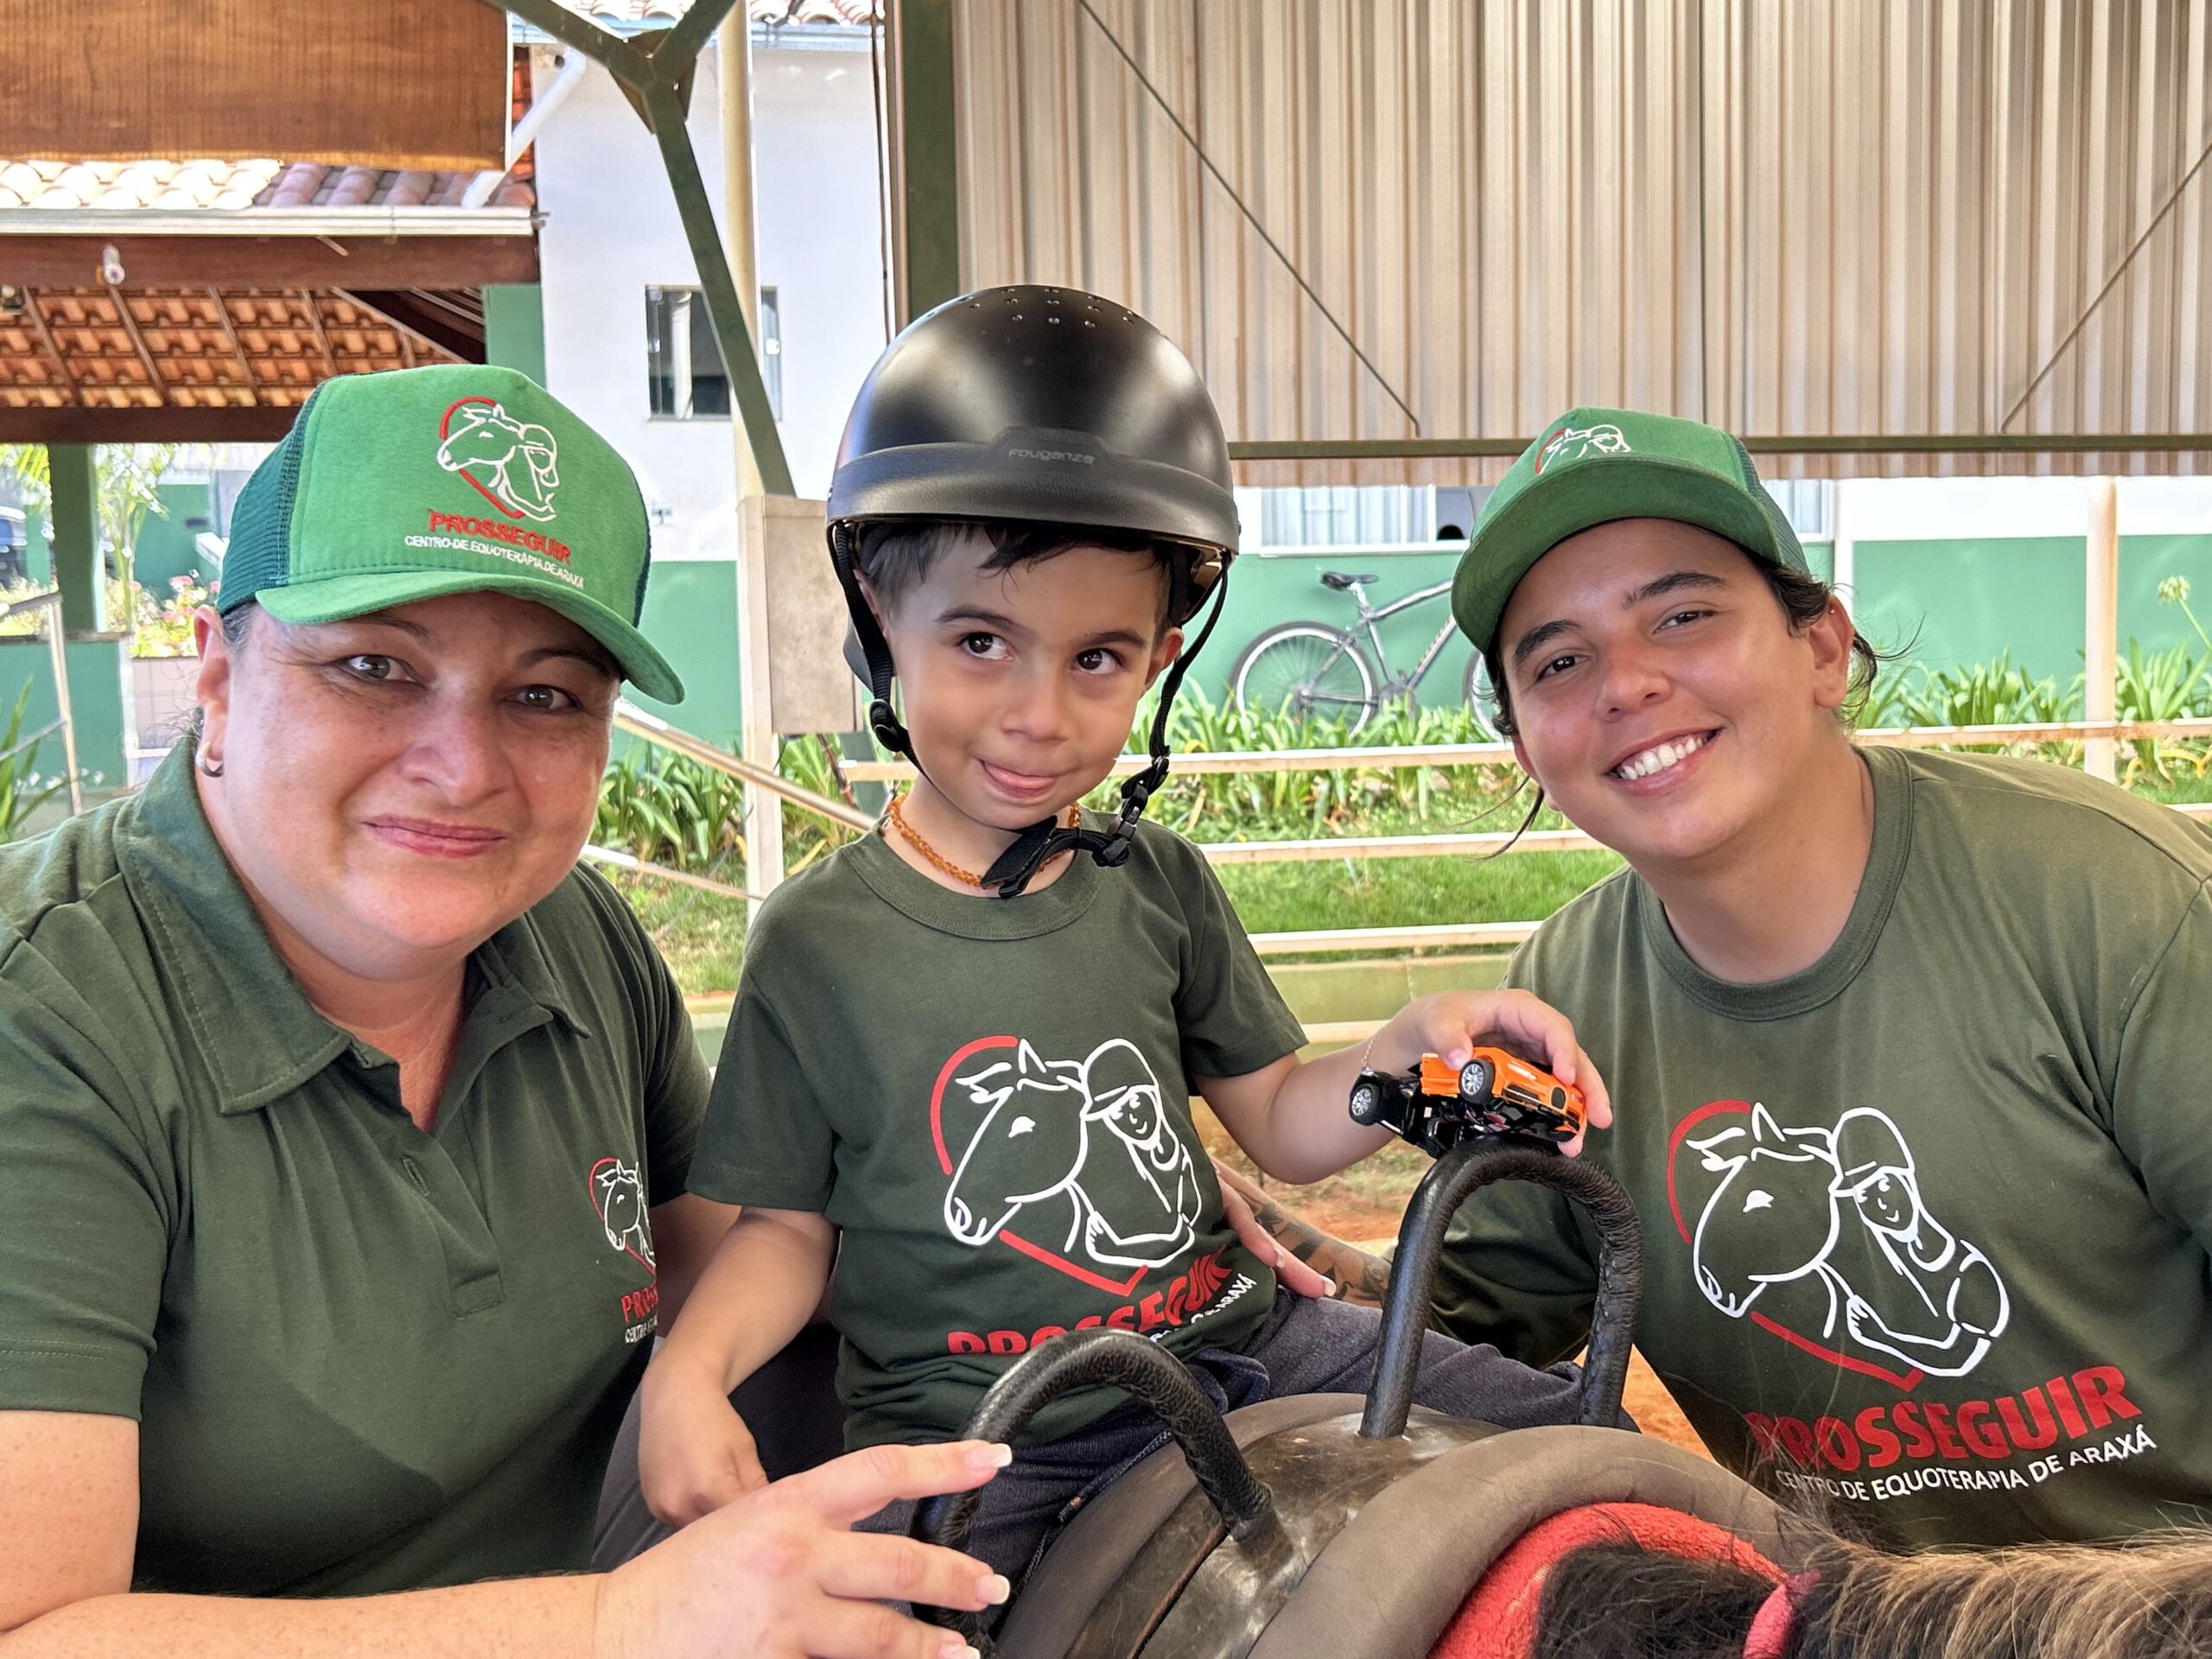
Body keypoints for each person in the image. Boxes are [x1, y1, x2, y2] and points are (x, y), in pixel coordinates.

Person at [0, 363, 1014, 1657]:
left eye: (544, 696)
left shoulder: (570, 941)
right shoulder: (51, 1016)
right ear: (218, 675)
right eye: (374, 665)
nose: (465, 768)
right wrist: (616, 1622)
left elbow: (752, 1250)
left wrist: (1126, 1214)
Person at [633, 287, 1620, 1591]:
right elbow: (787, 1233)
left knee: (1588, 1450)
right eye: (981, 641)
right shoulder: (814, 942)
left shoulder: (1155, 883)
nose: (1040, 715)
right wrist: (689, 1377)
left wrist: (1399, 1057)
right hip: (989, 1440)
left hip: (1246, 1345)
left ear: (1157, 656)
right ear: (880, 615)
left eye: (1097, 660)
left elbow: (1276, 1115)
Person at [1408, 405, 2212, 1548]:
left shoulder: (2109, 906)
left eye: (1682, 615)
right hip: (1849, 1619)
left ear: (1825, 648)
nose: (1625, 685)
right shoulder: (1571, 995)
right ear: (1526, 744)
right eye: (1559, 660)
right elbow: (1470, 1324)